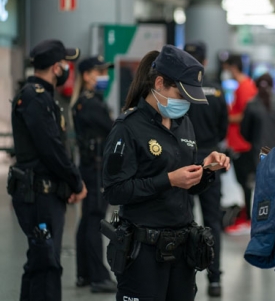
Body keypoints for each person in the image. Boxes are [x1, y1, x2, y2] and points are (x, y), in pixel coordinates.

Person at [102, 45, 230, 301]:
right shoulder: (128, 128)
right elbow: (115, 191)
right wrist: (169, 180)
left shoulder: (185, 124)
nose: (184, 103)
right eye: (180, 94)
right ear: (159, 83)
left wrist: (205, 169)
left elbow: (188, 185)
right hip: (143, 254)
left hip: (182, 251)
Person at [9, 39, 88, 301]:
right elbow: (51, 149)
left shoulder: (43, 97)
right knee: (47, 264)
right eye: (65, 63)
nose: (67, 68)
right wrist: (76, 182)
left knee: (40, 262)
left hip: (46, 193)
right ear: (56, 68)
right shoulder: (35, 98)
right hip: (38, 195)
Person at [184, 41, 228, 297]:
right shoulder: (218, 91)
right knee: (212, 223)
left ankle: (185, 274)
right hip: (211, 160)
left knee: (183, 222)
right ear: (206, 61)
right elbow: (223, 128)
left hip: (184, 161)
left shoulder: (179, 90)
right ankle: (214, 278)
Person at [71, 56, 117, 293]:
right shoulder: (90, 103)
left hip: (91, 166)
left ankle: (84, 273)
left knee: (87, 219)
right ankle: (98, 276)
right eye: (99, 71)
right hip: (95, 168)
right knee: (94, 219)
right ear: (87, 75)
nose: (104, 76)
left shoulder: (87, 101)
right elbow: (111, 129)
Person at [222, 54, 257, 234]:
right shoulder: (243, 86)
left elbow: (246, 114)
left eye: (227, 68)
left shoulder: (245, 87)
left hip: (243, 143)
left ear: (233, 68)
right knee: (242, 181)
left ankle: (250, 219)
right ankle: (248, 216)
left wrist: (225, 117)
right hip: (238, 143)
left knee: (245, 182)